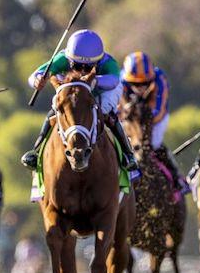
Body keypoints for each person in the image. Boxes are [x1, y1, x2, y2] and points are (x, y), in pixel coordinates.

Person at [20, 29, 138, 172]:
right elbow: (36, 74)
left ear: (98, 61)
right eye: (76, 66)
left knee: (105, 110)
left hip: (103, 89)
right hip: (74, 90)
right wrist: (38, 80)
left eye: (88, 68)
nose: (82, 71)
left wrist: (93, 81)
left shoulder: (108, 62)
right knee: (56, 108)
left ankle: (128, 154)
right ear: (69, 60)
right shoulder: (62, 58)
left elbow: (113, 80)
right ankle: (36, 150)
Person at [120, 51, 186, 190]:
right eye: (135, 84)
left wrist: (141, 120)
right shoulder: (121, 81)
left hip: (155, 119)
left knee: (153, 144)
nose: (140, 88)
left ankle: (176, 178)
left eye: (145, 83)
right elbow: (118, 110)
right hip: (130, 119)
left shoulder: (160, 79)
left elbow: (158, 111)